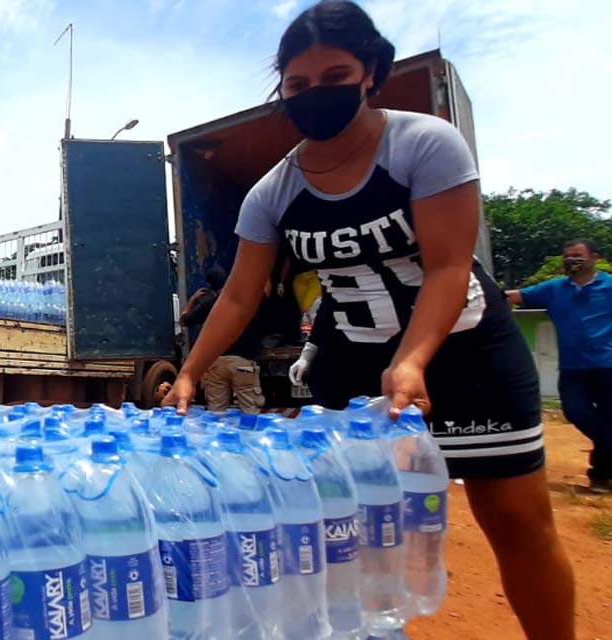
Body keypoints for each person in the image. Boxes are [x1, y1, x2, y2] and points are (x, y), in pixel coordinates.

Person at [161, 3, 574, 638]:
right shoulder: (273, 191)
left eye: (335, 75)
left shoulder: (424, 145)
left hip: (465, 354)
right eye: (297, 84)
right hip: (353, 365)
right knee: (355, 532)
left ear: (371, 74)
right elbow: (239, 297)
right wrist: (191, 371)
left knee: (518, 522)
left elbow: (445, 266)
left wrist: (410, 360)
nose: (314, 94)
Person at [507, 239, 612, 493]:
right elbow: (514, 297)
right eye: (567, 256)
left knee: (609, 420)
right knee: (577, 412)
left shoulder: (609, 285)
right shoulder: (555, 289)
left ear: (594, 257)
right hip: (573, 368)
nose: (571, 260)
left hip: (608, 366)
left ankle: (601, 477)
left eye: (577, 255)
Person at [179, 266, 265, 413]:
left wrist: (192, 300)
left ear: (210, 286)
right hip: (243, 362)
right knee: (251, 413)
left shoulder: (208, 304)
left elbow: (183, 321)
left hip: (216, 362)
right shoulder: (248, 301)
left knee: (216, 413)